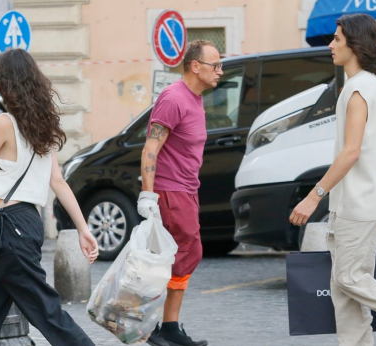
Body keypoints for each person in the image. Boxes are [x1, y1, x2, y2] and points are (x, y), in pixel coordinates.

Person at [0, 49, 99, 346]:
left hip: (10, 229)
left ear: (5, 83)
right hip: (11, 230)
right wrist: (83, 229)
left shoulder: (4, 124)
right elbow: (58, 182)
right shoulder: (40, 126)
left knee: (47, 313)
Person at [289, 14, 376, 346]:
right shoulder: (366, 84)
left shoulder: (359, 89)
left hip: (361, 201)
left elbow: (350, 152)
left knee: (350, 279)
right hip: (357, 200)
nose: (331, 44)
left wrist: (314, 196)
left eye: (337, 39)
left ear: (355, 44)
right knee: (344, 292)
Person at [138, 40, 223, 346]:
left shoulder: (196, 99)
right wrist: (148, 196)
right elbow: (151, 147)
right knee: (181, 255)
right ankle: (149, 326)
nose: (220, 71)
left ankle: (167, 328)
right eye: (215, 65)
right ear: (195, 66)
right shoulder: (173, 98)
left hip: (187, 190)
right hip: (170, 190)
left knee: (183, 255)